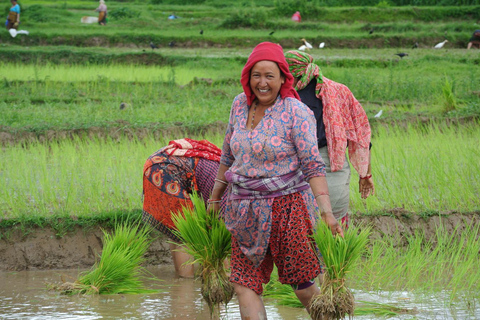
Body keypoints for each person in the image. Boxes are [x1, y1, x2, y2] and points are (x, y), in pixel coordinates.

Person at [207, 42, 343, 320]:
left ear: (283, 78)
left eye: (270, 75)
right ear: (248, 77)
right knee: (244, 283)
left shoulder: (296, 111)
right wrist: (214, 198)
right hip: (243, 209)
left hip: (289, 208)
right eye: (257, 75)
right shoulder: (238, 105)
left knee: (302, 285)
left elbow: (312, 165)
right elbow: (227, 155)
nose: (262, 82)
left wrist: (327, 213)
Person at [285, 50, 375, 230]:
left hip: (304, 165)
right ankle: (334, 256)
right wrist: (366, 174)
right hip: (333, 165)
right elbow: (361, 135)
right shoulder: (339, 90)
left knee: (304, 225)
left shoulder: (287, 97)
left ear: (293, 74)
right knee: (332, 223)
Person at [142, 138, 223, 278]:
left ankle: (182, 280)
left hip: (157, 164)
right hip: (166, 169)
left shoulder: (226, 170)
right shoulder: (231, 190)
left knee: (177, 232)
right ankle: (186, 283)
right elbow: (223, 233)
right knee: (183, 234)